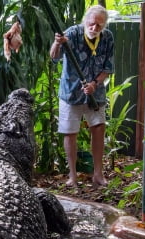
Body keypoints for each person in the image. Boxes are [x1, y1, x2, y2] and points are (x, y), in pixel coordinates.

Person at [49, 5, 114, 187]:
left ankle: (98, 174)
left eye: (99, 26)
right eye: (92, 24)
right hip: (71, 91)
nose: (94, 28)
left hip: (95, 92)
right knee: (70, 132)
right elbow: (54, 57)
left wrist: (95, 84)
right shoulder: (72, 33)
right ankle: (72, 176)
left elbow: (108, 68)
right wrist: (57, 42)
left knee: (99, 128)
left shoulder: (108, 38)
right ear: (85, 21)